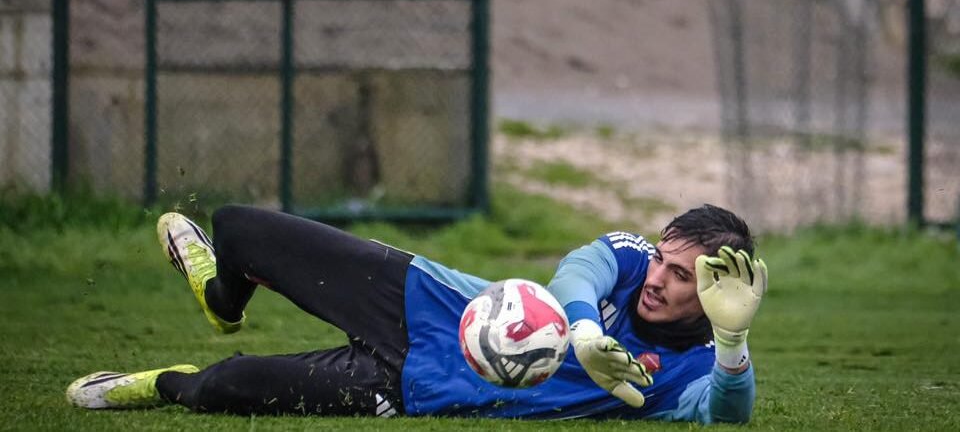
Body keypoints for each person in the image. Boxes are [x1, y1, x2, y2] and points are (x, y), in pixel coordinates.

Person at [66, 203, 768, 422]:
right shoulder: (627, 258)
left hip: (421, 385)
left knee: (221, 389)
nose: (659, 280)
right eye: (662, 261)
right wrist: (583, 331)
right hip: (421, 297)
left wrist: (733, 342)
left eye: (682, 279)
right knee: (239, 228)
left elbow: (725, 413)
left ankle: (159, 381)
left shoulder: (696, 367)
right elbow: (580, 268)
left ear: (712, 295)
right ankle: (222, 298)